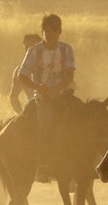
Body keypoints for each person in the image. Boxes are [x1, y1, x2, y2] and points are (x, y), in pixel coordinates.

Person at [17, 14, 76, 180]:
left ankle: (86, 161)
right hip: (43, 98)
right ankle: (43, 165)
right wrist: (39, 88)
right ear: (42, 32)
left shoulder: (66, 49)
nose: (49, 35)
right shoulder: (34, 51)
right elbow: (22, 75)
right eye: (46, 31)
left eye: (53, 31)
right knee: (45, 124)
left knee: (83, 117)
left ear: (59, 32)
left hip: (63, 96)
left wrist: (57, 90)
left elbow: (69, 75)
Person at [9, 34, 41, 114]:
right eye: (27, 47)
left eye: (33, 47)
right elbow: (13, 97)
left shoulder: (53, 65)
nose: (29, 50)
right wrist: (21, 114)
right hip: (32, 109)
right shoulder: (20, 71)